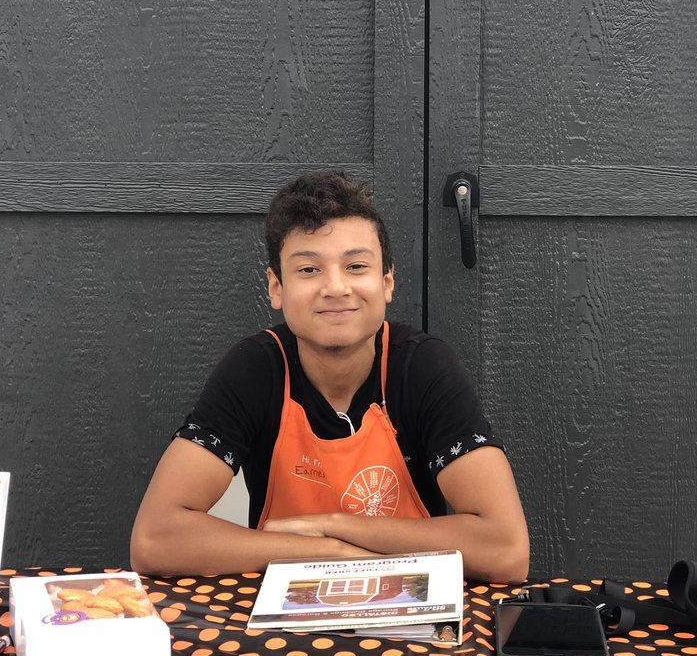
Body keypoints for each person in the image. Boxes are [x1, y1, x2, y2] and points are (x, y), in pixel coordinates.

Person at [130, 171, 529, 582]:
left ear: (386, 281)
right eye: (308, 270)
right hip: (284, 621)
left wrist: (336, 525)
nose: (336, 287)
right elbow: (156, 540)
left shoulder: (424, 369)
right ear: (276, 287)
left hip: (411, 615)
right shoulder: (255, 371)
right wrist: (328, 551)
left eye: (356, 266)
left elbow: (505, 549)